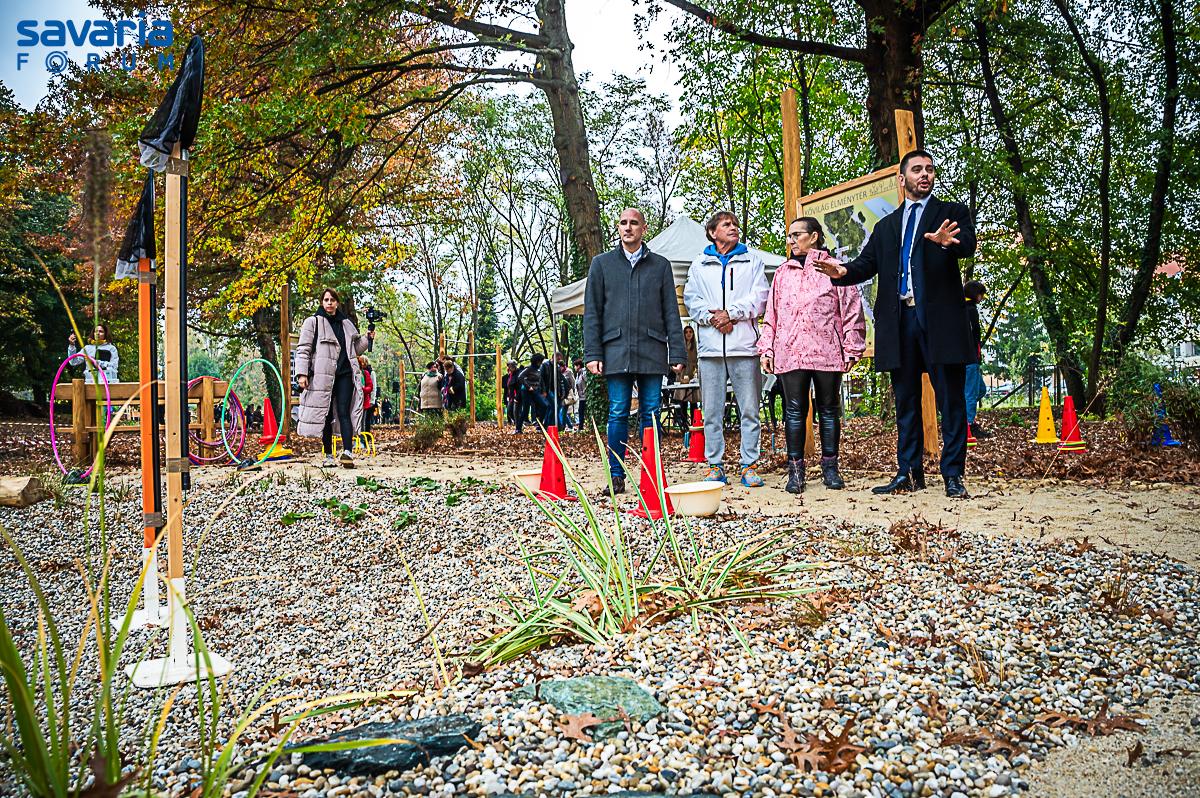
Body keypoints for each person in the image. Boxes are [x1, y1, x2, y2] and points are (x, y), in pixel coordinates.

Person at [814, 149, 977, 498]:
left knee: (951, 402)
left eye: (929, 169)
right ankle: (909, 473)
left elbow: (967, 244)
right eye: (917, 169)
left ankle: (952, 475)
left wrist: (949, 243)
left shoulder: (950, 213)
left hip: (940, 322)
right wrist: (841, 271)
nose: (925, 174)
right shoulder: (886, 226)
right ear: (902, 179)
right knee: (906, 402)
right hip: (899, 321)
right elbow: (865, 264)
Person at [759, 217, 867, 494]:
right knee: (794, 411)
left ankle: (831, 468)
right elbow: (772, 314)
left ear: (815, 236)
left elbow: (851, 309)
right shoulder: (783, 273)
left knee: (829, 409)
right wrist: (767, 348)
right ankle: (795, 472)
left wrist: (852, 346)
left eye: (797, 235)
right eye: (789, 236)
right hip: (790, 352)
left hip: (826, 350)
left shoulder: (834, 268)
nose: (791, 240)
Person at [583, 208, 685, 494]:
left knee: (651, 412)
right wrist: (593, 353)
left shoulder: (661, 265)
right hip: (615, 350)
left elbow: (671, 312)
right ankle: (616, 475)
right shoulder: (601, 264)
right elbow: (592, 313)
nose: (628, 227)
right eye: (623, 223)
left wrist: (677, 353)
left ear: (644, 229)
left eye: (634, 223)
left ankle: (651, 474)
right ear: (618, 228)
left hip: (652, 349)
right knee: (617, 411)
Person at [684, 211, 770, 487]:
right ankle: (715, 465)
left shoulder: (752, 261)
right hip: (710, 350)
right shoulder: (699, 264)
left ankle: (749, 465)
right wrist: (713, 319)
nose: (733, 227)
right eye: (726, 224)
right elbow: (691, 300)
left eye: (735, 224)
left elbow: (760, 298)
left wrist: (731, 314)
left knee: (750, 410)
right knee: (711, 411)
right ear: (712, 233)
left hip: (744, 347)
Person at [295, 288, 372, 468]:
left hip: (345, 374)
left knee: (345, 411)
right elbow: (303, 349)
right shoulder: (313, 322)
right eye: (326, 300)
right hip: (322, 376)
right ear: (322, 302)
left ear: (337, 302)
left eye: (332, 300)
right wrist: (302, 374)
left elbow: (354, 350)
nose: (329, 303)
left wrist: (367, 338)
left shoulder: (346, 324)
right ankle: (329, 455)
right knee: (326, 414)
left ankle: (347, 452)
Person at [964, 280, 990, 439]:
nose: (982, 297)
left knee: (980, 390)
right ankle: (969, 426)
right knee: (971, 394)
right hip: (969, 359)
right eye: (981, 294)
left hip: (970, 358)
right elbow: (974, 335)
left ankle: (964, 419)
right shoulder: (970, 310)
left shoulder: (963, 308)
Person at [514, 353, 548, 434]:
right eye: (540, 361)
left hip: (535, 391)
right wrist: (528, 386)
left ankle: (539, 426)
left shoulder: (539, 370)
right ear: (536, 361)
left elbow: (541, 380)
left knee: (544, 405)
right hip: (526, 391)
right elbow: (520, 377)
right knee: (525, 410)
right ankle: (518, 429)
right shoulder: (529, 369)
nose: (541, 363)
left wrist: (543, 391)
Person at [359, 356, 375, 433]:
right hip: (360, 399)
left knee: (366, 420)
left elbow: (373, 387)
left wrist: (372, 400)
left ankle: (365, 436)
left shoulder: (369, 372)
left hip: (366, 399)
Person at [573, 358, 587, 431]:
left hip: (585, 396)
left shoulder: (583, 373)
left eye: (575, 366)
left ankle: (581, 427)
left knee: (581, 411)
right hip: (581, 397)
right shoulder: (578, 374)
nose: (574, 367)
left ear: (578, 366)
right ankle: (581, 427)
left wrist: (584, 391)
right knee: (580, 411)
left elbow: (587, 382)